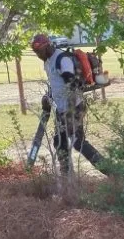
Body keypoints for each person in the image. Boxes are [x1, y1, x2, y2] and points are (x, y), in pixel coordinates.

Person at [30, 34, 104, 173]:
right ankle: (66, 176)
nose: (38, 55)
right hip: (62, 108)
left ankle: (110, 170)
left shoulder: (62, 59)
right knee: (60, 142)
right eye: (36, 53)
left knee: (77, 142)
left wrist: (68, 112)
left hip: (73, 106)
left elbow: (73, 85)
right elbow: (56, 83)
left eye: (40, 52)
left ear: (48, 46)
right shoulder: (47, 61)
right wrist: (48, 96)